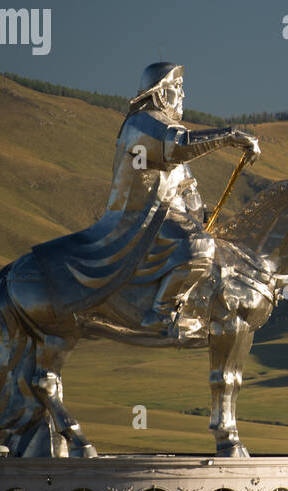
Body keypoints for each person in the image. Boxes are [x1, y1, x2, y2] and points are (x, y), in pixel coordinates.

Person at [31, 62, 260, 339]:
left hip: (165, 218)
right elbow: (179, 145)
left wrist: (200, 215)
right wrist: (230, 135)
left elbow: (186, 189)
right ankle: (160, 314)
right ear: (161, 94)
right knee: (199, 246)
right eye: (177, 88)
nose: (183, 95)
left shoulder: (163, 129)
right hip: (141, 219)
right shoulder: (143, 123)